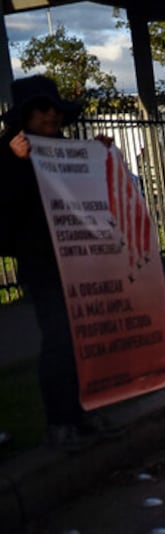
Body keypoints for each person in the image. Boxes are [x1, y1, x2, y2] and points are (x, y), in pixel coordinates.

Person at [0, 75, 119, 450]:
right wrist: (17, 165)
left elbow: (100, 198)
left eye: (54, 108)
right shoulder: (8, 155)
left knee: (86, 337)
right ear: (25, 115)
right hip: (43, 263)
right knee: (59, 338)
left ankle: (83, 410)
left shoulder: (69, 150)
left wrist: (102, 156)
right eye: (41, 108)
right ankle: (60, 420)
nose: (51, 114)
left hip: (81, 258)